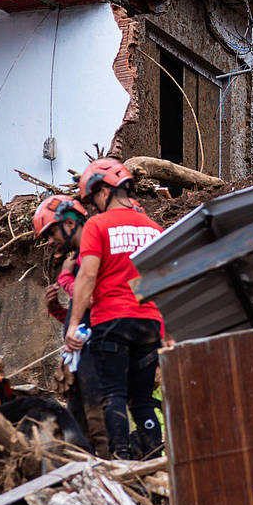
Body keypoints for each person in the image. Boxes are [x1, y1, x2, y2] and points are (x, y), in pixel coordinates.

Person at [64, 158, 166, 459]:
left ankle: (120, 459)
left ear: (102, 191)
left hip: (112, 321)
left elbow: (87, 275)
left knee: (114, 395)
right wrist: (167, 329)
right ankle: (155, 455)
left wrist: (73, 325)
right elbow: (164, 280)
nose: (92, 207)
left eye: (92, 199)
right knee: (144, 399)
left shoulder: (97, 225)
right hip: (149, 323)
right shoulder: (153, 228)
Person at [35, 193, 106, 451]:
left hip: (96, 352)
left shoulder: (89, 255)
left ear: (69, 223)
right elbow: (83, 315)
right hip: (81, 355)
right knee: (78, 423)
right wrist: (57, 311)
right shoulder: (76, 256)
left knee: (97, 418)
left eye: (52, 233)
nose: (51, 242)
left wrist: (65, 279)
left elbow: (93, 300)